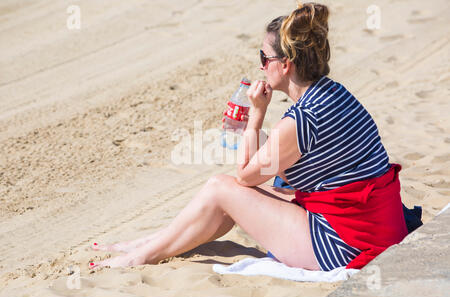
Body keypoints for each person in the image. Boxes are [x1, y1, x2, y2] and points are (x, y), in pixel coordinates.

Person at [89, 2, 408, 271]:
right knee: (235, 195)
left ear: (285, 65)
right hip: (374, 226)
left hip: (344, 246)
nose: (260, 67)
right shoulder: (334, 93)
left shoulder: (301, 119)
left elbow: (245, 177)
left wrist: (255, 115)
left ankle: (144, 255)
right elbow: (287, 165)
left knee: (221, 188)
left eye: (263, 58)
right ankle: (153, 242)